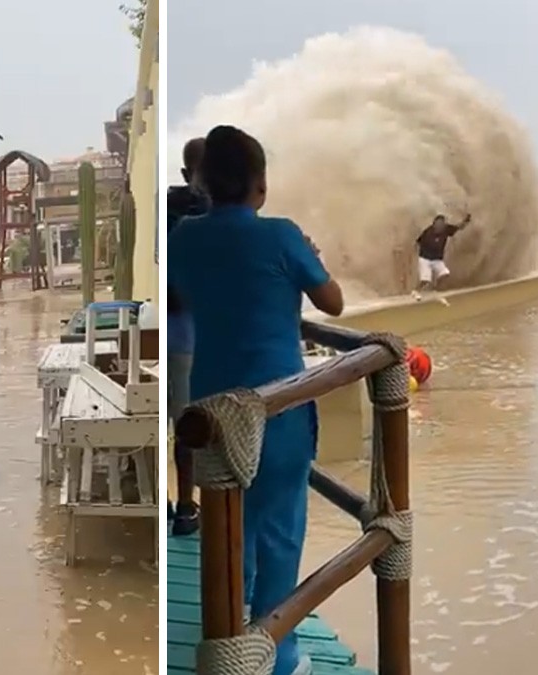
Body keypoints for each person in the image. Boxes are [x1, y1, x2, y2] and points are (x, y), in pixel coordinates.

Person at [169, 126, 344, 675]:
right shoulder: (282, 235)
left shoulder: (184, 238)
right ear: (260, 185)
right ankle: (278, 655)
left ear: (203, 183)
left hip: (211, 411)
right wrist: (308, 256)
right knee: (280, 531)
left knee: (230, 524)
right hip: (277, 408)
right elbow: (333, 303)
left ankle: (229, 633)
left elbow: (182, 295)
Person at [165, 137, 207, 537]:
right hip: (184, 337)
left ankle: (175, 504)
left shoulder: (170, 210)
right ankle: (185, 508)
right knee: (187, 427)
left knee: (175, 424)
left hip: (178, 335)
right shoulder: (195, 215)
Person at [413, 213, 471, 302]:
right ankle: (416, 291)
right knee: (425, 280)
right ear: (434, 224)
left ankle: (435, 290)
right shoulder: (428, 232)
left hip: (437, 259)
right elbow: (418, 242)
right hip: (425, 259)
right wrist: (417, 251)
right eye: (438, 224)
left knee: (445, 274)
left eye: (442, 224)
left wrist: (466, 221)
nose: (440, 226)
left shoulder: (446, 229)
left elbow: (459, 227)